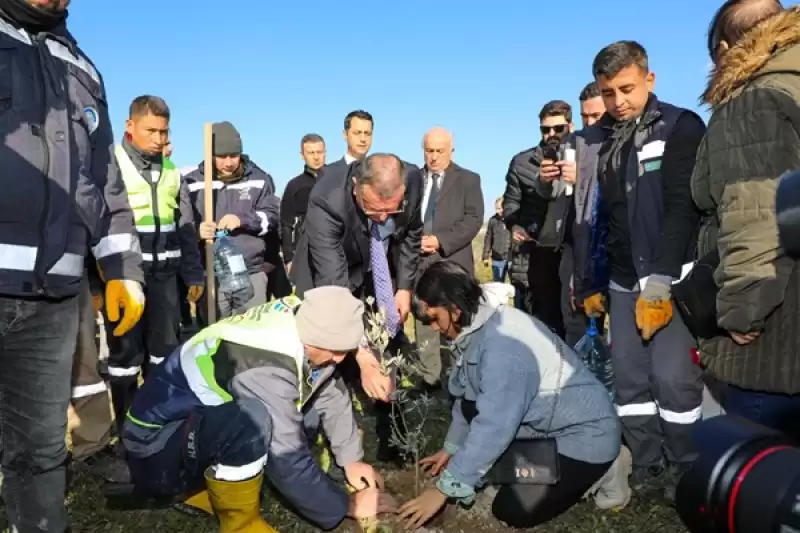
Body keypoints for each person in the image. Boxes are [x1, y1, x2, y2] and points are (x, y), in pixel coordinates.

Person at [0, 1, 146, 530]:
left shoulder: (81, 66)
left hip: (55, 299)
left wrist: (123, 269)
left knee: (38, 454)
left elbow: (106, 183)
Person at [123, 287, 395, 531]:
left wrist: (350, 458)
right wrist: (346, 506)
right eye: (336, 351)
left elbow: (326, 384)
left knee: (300, 407)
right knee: (252, 422)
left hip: (190, 426)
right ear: (313, 341)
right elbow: (286, 456)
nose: (340, 358)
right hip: (155, 447)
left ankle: (212, 481)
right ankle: (239, 522)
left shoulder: (304, 317)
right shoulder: (263, 366)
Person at [571, 41, 706, 499]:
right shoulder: (598, 140)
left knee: (673, 378)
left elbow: (682, 209)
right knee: (629, 379)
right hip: (621, 280)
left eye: (626, 89)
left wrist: (662, 282)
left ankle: (687, 465)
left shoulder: (680, 127)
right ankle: (647, 463)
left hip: (668, 277)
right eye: (608, 93)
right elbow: (594, 215)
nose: (618, 102)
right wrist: (591, 282)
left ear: (649, 79)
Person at [396, 261, 621, 530]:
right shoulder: (477, 327)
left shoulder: (504, 348)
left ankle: (607, 469)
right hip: (544, 428)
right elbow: (468, 399)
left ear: (455, 310)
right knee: (476, 465)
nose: (433, 327)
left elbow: (494, 425)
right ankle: (543, 467)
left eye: (434, 318)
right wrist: (451, 448)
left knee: (511, 509)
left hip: (583, 438)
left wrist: (443, 491)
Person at [693, 0, 800, 436]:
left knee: (761, 479)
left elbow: (755, 214)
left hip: (777, 341)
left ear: (724, 50)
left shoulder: (754, 99)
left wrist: (741, 310)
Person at [291, 152, 424, 462]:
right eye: (374, 209)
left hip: (376, 272)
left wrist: (403, 287)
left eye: (392, 210)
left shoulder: (414, 182)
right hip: (327, 277)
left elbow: (412, 234)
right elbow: (335, 289)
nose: (382, 218)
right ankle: (309, 440)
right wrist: (361, 354)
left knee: (387, 346)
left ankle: (394, 438)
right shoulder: (327, 200)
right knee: (328, 356)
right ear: (355, 186)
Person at [106, 96, 205, 477]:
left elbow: (185, 226)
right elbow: (98, 222)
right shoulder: (110, 164)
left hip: (166, 281)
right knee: (123, 362)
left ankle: (159, 430)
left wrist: (193, 275)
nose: (159, 138)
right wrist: (97, 280)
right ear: (130, 126)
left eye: (164, 131)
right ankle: (125, 437)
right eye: (151, 130)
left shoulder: (171, 171)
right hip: (125, 280)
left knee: (163, 359)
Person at [183, 121, 281, 321]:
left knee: (250, 335)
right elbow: (182, 222)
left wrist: (242, 220)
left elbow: (272, 217)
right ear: (210, 155)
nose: (228, 162)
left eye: (233, 156)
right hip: (211, 274)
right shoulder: (192, 182)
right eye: (221, 157)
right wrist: (196, 231)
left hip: (251, 273)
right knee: (214, 337)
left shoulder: (260, 179)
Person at [414, 127, 484, 390]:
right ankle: (430, 377)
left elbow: (473, 220)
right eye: (429, 151)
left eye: (439, 151)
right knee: (424, 318)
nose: (433, 157)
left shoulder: (468, 180)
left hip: (453, 262)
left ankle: (463, 374)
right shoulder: (412, 179)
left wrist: (440, 241)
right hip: (419, 263)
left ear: (451, 150)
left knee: (459, 318)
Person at [503, 100, 576, 338]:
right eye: (546, 129)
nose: (551, 135)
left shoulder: (586, 157)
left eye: (558, 129)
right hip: (537, 253)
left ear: (571, 126)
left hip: (575, 250)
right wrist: (514, 225)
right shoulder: (522, 162)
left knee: (576, 322)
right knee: (541, 324)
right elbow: (511, 203)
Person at [281, 133, 327, 274]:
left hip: (335, 249)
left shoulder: (337, 180)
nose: (316, 157)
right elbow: (286, 225)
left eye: (319, 152)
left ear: (325, 153)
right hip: (305, 251)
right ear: (302, 155)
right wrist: (289, 258)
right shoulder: (294, 186)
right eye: (311, 153)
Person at [482, 198, 512, 282]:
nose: (500, 210)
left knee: (516, 285)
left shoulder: (514, 219)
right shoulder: (493, 221)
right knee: (498, 285)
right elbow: (488, 238)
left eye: (502, 208)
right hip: (497, 258)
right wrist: (485, 256)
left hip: (511, 257)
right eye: (498, 208)